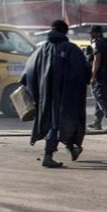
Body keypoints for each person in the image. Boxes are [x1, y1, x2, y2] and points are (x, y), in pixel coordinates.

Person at [20, 20, 90, 168]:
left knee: (55, 121)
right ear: (65, 32)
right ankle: (48, 154)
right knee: (59, 122)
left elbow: (26, 74)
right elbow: (83, 72)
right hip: (66, 96)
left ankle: (72, 149)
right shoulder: (72, 49)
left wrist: (36, 92)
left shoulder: (40, 50)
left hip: (44, 97)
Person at [87, 25, 107, 132]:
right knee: (100, 96)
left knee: (101, 97)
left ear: (97, 33)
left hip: (101, 74)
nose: (90, 36)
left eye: (92, 33)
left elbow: (97, 59)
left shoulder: (97, 43)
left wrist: (93, 75)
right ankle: (97, 122)